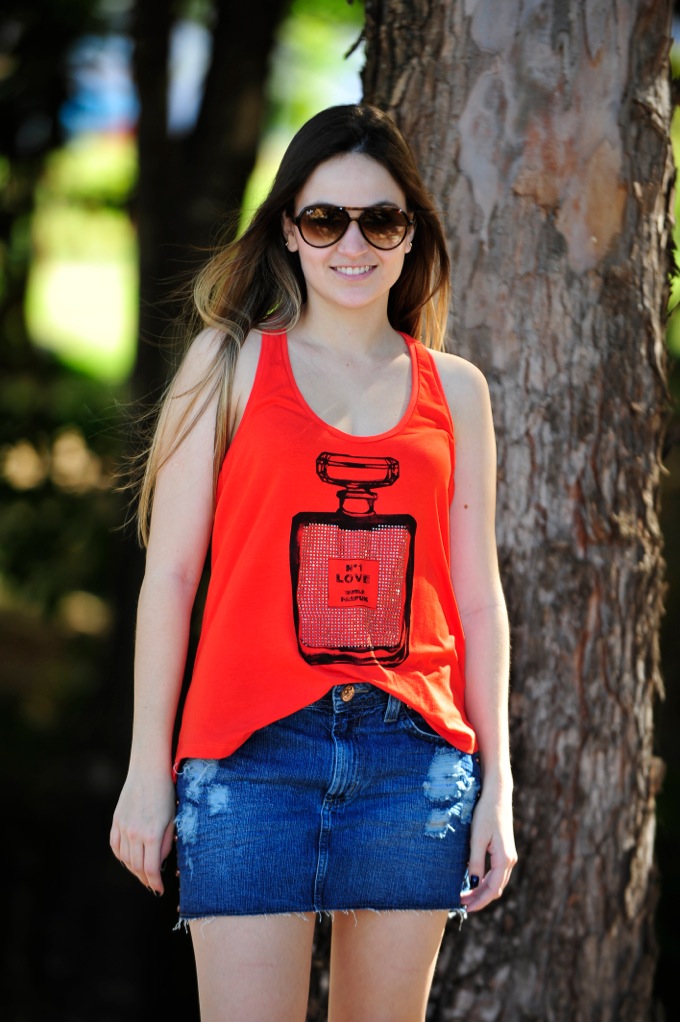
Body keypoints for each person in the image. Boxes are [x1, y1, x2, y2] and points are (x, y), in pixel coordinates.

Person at [110, 103, 516, 1022]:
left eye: (381, 220)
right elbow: (170, 579)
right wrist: (145, 769)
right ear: (290, 231)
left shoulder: (457, 391)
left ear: (411, 235)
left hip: (412, 761)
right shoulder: (225, 365)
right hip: (247, 758)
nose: (353, 244)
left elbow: (478, 600)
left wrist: (500, 785)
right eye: (325, 219)